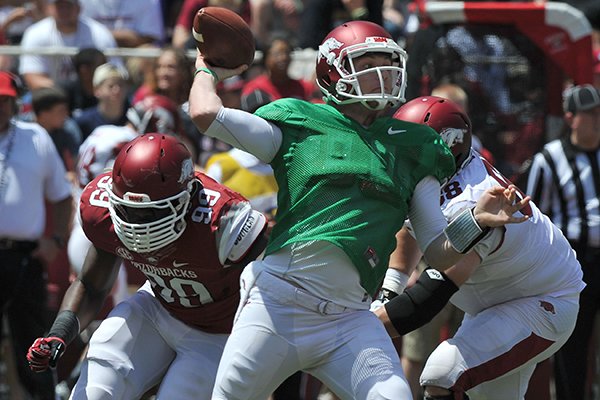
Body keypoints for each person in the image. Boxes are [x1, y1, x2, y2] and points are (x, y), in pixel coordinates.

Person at [189, 20, 531, 399]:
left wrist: (475, 220)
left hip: (350, 317)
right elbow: (207, 115)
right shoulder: (299, 121)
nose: (384, 72)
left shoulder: (413, 145)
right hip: (279, 301)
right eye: (369, 62)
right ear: (333, 71)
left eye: (388, 61)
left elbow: (436, 249)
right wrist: (206, 67)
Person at [27, 133, 270, 399]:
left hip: (217, 335)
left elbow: (275, 288)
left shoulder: (223, 222)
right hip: (156, 309)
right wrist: (59, 333)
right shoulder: (102, 210)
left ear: (186, 199)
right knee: (98, 380)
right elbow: (91, 285)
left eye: (151, 212)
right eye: (127, 210)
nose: (136, 224)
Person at [373, 95, 585, 399]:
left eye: (410, 150)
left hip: (544, 303)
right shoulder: (445, 173)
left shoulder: (474, 202)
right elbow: (412, 227)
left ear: (445, 146)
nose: (400, 158)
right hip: (495, 304)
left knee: (442, 373)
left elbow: (430, 297)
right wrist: (388, 291)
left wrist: (357, 330)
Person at [0, 71, 74, 400]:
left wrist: (56, 239)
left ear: (16, 103)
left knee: (31, 345)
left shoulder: (35, 137)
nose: (1, 106)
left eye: (5, 100)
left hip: (25, 256)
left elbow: (61, 196)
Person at [526, 84, 600, 400]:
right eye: (590, 113)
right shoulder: (548, 159)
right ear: (571, 117)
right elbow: (534, 220)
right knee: (572, 342)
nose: (597, 119)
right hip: (575, 263)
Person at [18, 0, 118, 90]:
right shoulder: (35, 33)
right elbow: (32, 77)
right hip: (54, 96)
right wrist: (65, 92)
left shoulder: (99, 34)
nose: (64, 11)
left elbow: (113, 72)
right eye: (59, 6)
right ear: (50, 8)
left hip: (93, 94)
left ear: (79, 8)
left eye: (68, 6)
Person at [74, 62, 130, 141]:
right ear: (97, 90)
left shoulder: (134, 119)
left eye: (121, 85)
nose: (117, 90)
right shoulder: (82, 122)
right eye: (111, 86)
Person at [78, 0, 164, 47]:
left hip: (131, 53)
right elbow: (76, 30)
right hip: (94, 50)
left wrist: (98, 34)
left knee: (148, 51)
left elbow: (148, 38)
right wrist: (126, 36)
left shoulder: (149, 1)